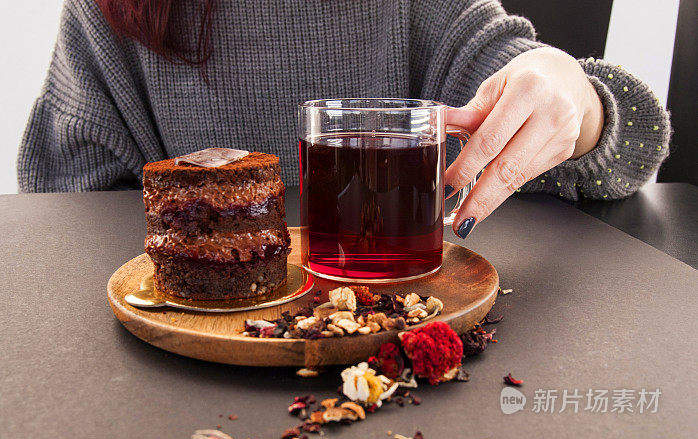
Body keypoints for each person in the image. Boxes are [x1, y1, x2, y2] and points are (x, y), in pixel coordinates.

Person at [18, 0, 670, 239]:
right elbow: (56, 216)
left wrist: (577, 100)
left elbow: (631, 143)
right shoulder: (106, 15)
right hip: (175, 375)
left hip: (401, 368)